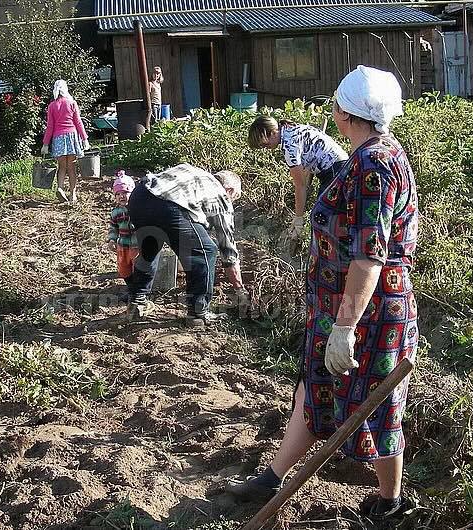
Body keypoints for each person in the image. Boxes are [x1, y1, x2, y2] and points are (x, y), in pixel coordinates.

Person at [228, 65, 419, 524]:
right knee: (312, 389)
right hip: (336, 310)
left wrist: (345, 328)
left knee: (377, 406)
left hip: (366, 315)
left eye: (334, 103)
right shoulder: (371, 155)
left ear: (345, 113)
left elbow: (369, 256)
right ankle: (273, 476)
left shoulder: (373, 167)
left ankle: (388, 501)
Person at [126, 163, 246, 327]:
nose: (231, 201)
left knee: (150, 250)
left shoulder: (194, 173)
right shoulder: (221, 196)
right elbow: (227, 248)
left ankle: (137, 301)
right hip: (168, 205)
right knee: (206, 250)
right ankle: (199, 314)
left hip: (140, 196)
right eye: (235, 197)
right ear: (230, 191)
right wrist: (240, 290)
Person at [248, 116, 348, 244]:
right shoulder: (292, 129)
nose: (265, 148)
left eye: (265, 144)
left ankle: (331, 257)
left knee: (322, 218)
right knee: (331, 217)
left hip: (335, 171)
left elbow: (300, 186)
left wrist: (298, 218)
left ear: (273, 133)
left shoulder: (289, 146)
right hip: (342, 165)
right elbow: (305, 173)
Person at [41, 80, 89, 203]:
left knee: (61, 167)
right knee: (71, 167)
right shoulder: (72, 103)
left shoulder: (52, 106)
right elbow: (78, 122)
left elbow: (50, 126)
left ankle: (60, 188)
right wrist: (85, 139)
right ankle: (73, 194)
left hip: (58, 138)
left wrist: (46, 144)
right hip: (72, 137)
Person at [106, 171, 139, 280]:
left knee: (138, 268)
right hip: (122, 245)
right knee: (124, 269)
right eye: (118, 194)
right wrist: (112, 240)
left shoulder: (137, 209)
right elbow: (113, 228)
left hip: (136, 245)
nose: (122, 196)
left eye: (125, 193)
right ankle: (130, 286)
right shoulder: (116, 212)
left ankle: (137, 289)